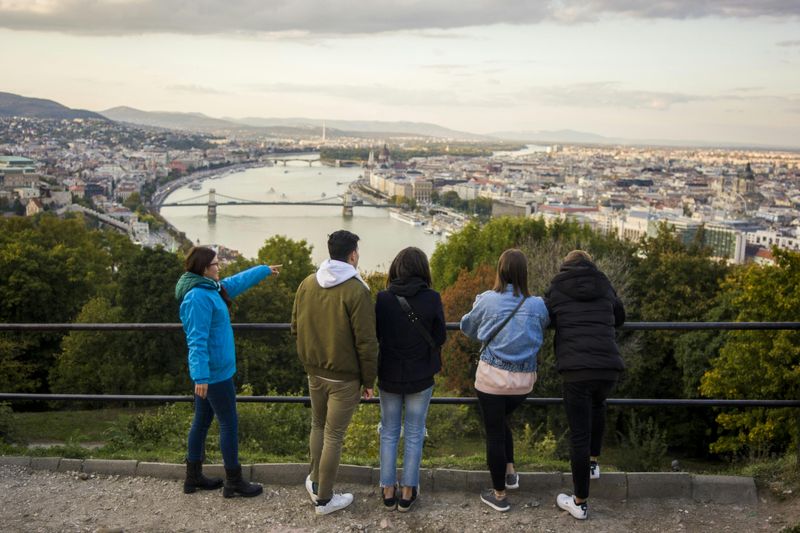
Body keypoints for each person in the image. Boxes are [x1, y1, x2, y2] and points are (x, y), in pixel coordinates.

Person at [175, 246, 281, 498]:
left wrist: (263, 270)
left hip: (213, 372)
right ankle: (234, 481)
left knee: (201, 422)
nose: (219, 267)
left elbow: (236, 282)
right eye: (215, 264)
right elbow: (196, 339)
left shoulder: (211, 288)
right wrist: (200, 376)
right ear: (203, 268)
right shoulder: (197, 297)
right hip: (214, 374)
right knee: (229, 424)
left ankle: (193, 478)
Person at [292, 230, 378, 515]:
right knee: (334, 435)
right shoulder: (357, 290)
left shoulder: (307, 283)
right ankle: (325, 499)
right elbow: (366, 342)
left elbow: (295, 326)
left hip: (314, 371)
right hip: (344, 377)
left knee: (318, 425)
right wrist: (369, 381)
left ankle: (316, 482)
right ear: (353, 255)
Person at [460, 249, 549, 512]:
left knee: (494, 433)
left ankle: (499, 495)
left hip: (491, 380)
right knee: (501, 422)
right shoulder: (537, 305)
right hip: (523, 382)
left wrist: (480, 306)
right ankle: (509, 472)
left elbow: (468, 328)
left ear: (500, 271)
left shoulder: (488, 300)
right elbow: (543, 325)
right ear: (524, 274)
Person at [545, 250, 625, 520]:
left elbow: (548, 318)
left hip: (576, 369)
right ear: (591, 264)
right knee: (599, 404)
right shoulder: (604, 284)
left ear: (565, 266)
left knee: (578, 433)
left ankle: (579, 502)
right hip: (607, 366)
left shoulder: (557, 286)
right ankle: (593, 463)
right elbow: (620, 316)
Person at [375, 247, 446, 512]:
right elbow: (439, 337)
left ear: (396, 268)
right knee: (415, 433)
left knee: (389, 432)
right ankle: (407, 493)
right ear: (423, 270)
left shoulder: (382, 299)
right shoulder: (432, 298)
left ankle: (387, 490)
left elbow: (376, 335)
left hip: (390, 374)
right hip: (421, 375)